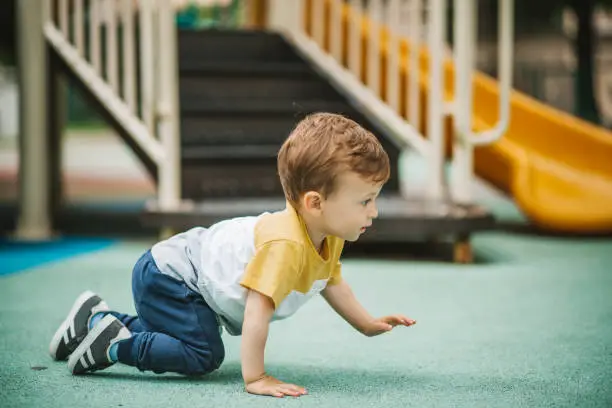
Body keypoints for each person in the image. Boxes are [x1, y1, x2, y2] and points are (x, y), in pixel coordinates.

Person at [48, 112, 416, 398]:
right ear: (315, 203)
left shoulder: (327, 235)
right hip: (172, 277)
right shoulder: (285, 246)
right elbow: (257, 312)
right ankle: (115, 346)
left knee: (185, 332)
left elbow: (331, 281)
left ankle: (96, 319)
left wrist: (366, 324)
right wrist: (255, 377)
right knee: (202, 354)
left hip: (181, 276)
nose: (375, 211)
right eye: (365, 201)